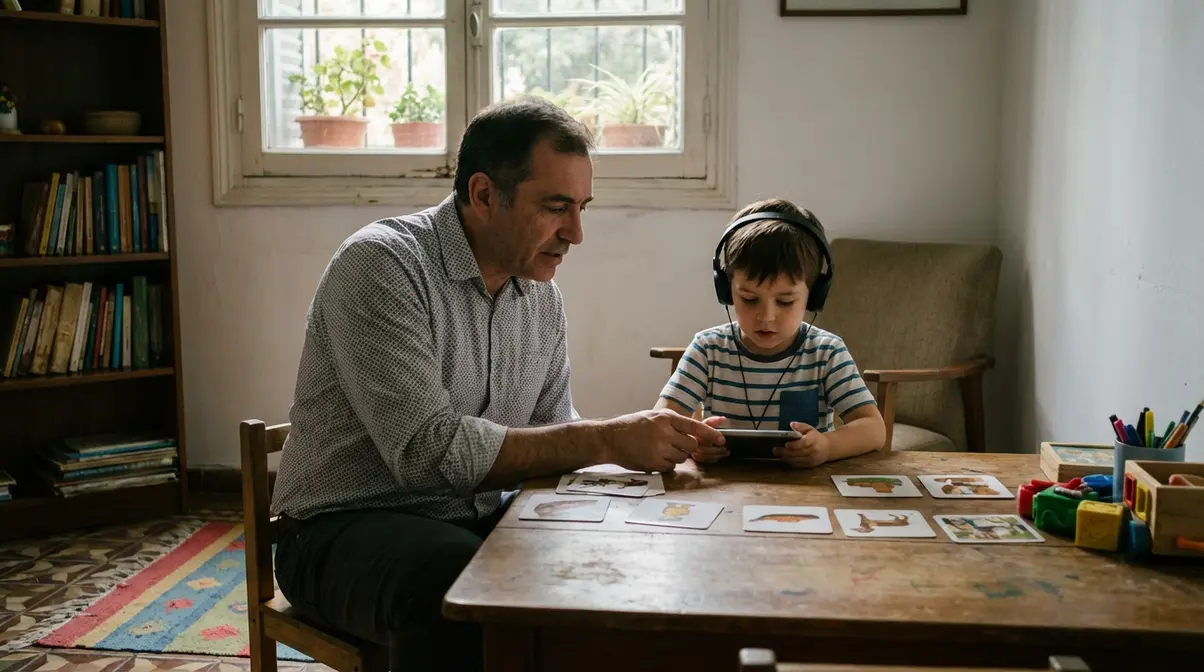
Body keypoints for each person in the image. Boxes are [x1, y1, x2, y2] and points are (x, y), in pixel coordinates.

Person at [268, 98, 726, 672]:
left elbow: (552, 436)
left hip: (472, 520)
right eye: (556, 207)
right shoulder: (381, 265)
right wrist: (608, 438)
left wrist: (645, 460)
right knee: (457, 580)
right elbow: (428, 454)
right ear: (484, 195)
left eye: (582, 208)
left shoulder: (540, 297)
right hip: (337, 530)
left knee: (609, 555)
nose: (576, 233)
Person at [654, 198, 886, 467]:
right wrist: (694, 441)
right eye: (749, 299)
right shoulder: (707, 350)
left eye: (785, 302)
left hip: (806, 487)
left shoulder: (827, 352)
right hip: (724, 485)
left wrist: (827, 446)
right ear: (726, 291)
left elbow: (874, 429)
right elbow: (661, 422)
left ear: (814, 296)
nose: (766, 317)